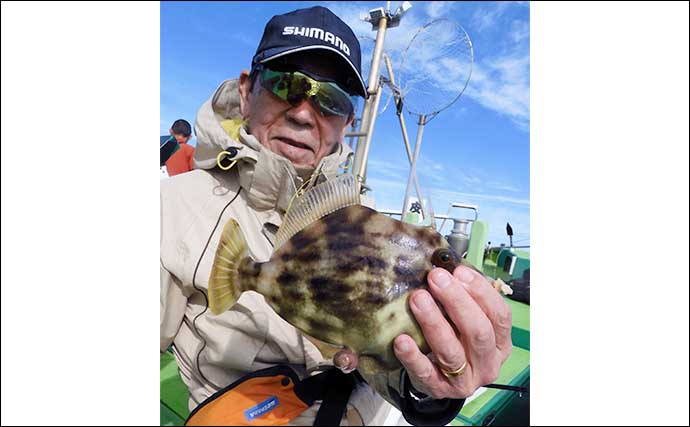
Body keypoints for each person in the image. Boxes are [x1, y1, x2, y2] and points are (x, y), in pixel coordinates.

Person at [160, 6, 513, 426]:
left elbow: (387, 361)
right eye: (286, 83)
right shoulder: (171, 208)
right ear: (246, 90)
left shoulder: (361, 217)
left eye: (330, 99)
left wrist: (432, 382)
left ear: (347, 122)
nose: (305, 112)